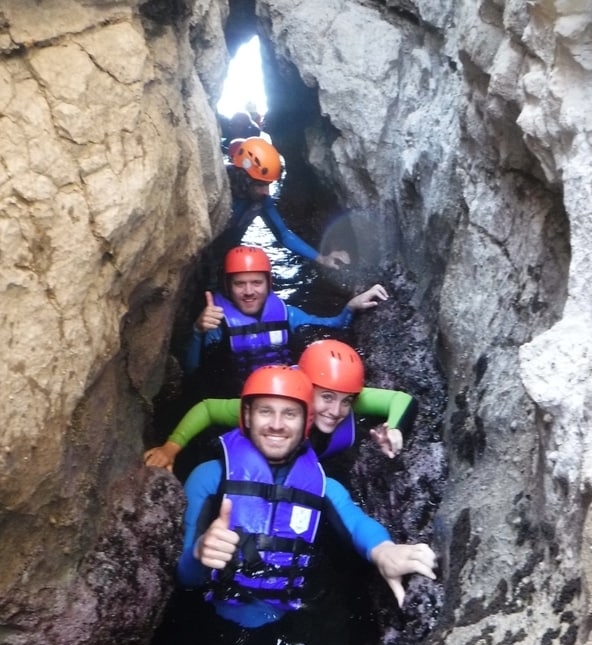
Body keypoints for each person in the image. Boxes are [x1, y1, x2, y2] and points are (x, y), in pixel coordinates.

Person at [177, 365, 436, 628]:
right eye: (265, 411)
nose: (277, 425)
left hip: (286, 619)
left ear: (306, 421)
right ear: (247, 415)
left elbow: (356, 523)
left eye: (290, 414)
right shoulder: (207, 478)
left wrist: (384, 551)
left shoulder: (323, 486)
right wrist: (199, 551)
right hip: (211, 619)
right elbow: (185, 578)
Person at [144, 340, 417, 472]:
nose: (336, 411)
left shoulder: (343, 397)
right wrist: (172, 447)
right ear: (304, 387)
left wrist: (394, 429)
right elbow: (207, 409)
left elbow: (402, 399)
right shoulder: (272, 408)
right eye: (327, 398)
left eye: (346, 401)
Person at [184, 245, 389, 395]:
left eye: (256, 283)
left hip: (286, 392)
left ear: (269, 284)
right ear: (228, 287)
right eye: (240, 284)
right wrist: (197, 331)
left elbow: (334, 326)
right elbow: (191, 372)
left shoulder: (288, 315)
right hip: (239, 398)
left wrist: (350, 307)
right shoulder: (217, 323)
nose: (248, 292)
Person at [222, 137, 350, 269]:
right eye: (260, 185)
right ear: (244, 177)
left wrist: (321, 259)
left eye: (268, 185)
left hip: (228, 248)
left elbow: (283, 234)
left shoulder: (262, 201)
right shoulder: (219, 190)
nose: (266, 192)